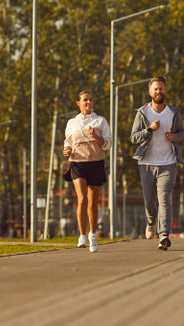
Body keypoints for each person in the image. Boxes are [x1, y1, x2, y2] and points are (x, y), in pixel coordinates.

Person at [130, 76, 184, 250]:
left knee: (164, 199)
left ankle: (164, 236)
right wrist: (149, 130)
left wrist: (174, 137)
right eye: (155, 89)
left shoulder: (174, 113)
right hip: (146, 163)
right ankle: (151, 220)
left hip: (168, 162)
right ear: (150, 92)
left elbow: (182, 131)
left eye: (161, 88)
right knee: (149, 201)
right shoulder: (143, 113)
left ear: (165, 90)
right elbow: (133, 138)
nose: (158, 92)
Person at [63, 90, 112, 252]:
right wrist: (66, 150)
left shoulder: (100, 121)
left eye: (91, 99)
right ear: (78, 103)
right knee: (82, 199)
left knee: (93, 202)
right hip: (77, 163)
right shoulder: (72, 123)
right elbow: (68, 142)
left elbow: (108, 145)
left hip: (96, 163)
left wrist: (95, 137)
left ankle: (93, 234)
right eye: (85, 100)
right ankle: (82, 235)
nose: (89, 102)